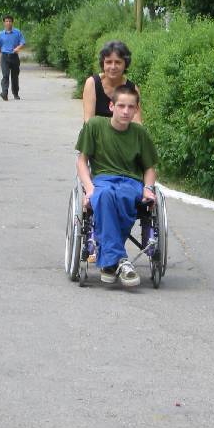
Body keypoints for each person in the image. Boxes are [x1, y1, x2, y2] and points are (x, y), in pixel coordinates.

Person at [76, 84, 158, 287]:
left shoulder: (140, 134)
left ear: (136, 109)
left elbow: (149, 167)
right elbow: (81, 161)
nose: (126, 111)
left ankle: (109, 263)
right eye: (121, 106)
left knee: (121, 196)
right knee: (103, 196)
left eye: (131, 107)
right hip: (102, 180)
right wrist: (89, 188)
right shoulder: (94, 126)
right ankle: (121, 260)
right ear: (111, 106)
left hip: (130, 181)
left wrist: (148, 188)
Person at [82, 40, 142, 123]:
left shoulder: (132, 89)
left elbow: (137, 124)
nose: (113, 67)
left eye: (118, 62)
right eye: (108, 62)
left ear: (125, 65)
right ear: (103, 64)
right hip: (96, 133)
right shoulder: (92, 83)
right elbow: (89, 121)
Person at [0, 15, 25, 101]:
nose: (8, 23)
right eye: (6, 21)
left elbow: (23, 42)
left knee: (15, 76)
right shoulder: (0, 34)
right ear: (4, 23)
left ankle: (15, 93)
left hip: (14, 56)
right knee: (5, 75)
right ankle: (4, 93)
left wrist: (18, 48)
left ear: (12, 22)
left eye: (10, 21)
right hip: (4, 57)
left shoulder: (17, 32)